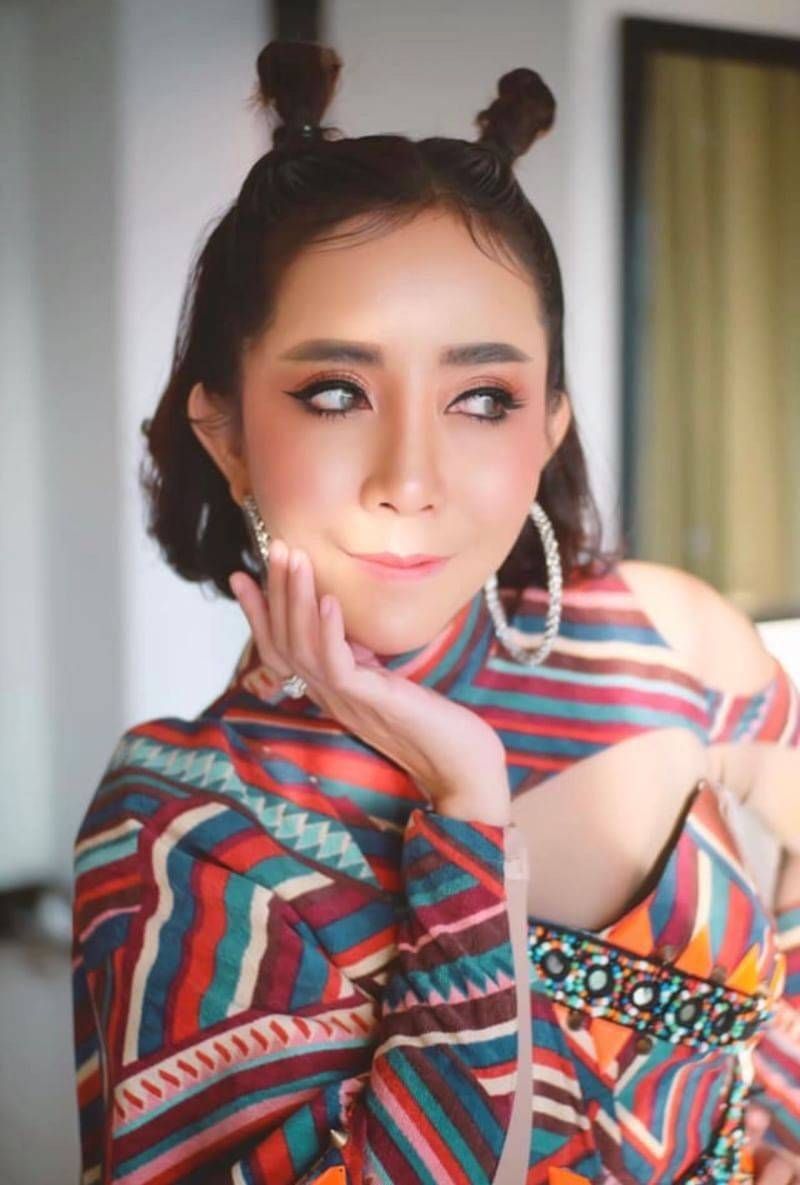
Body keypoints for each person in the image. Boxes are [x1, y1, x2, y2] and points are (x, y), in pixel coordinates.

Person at [70, 38, 800, 1185]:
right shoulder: (183, 831)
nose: (409, 479)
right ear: (227, 435)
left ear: (546, 426)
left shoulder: (664, 639)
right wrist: (465, 806)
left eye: (481, 398)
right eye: (335, 392)